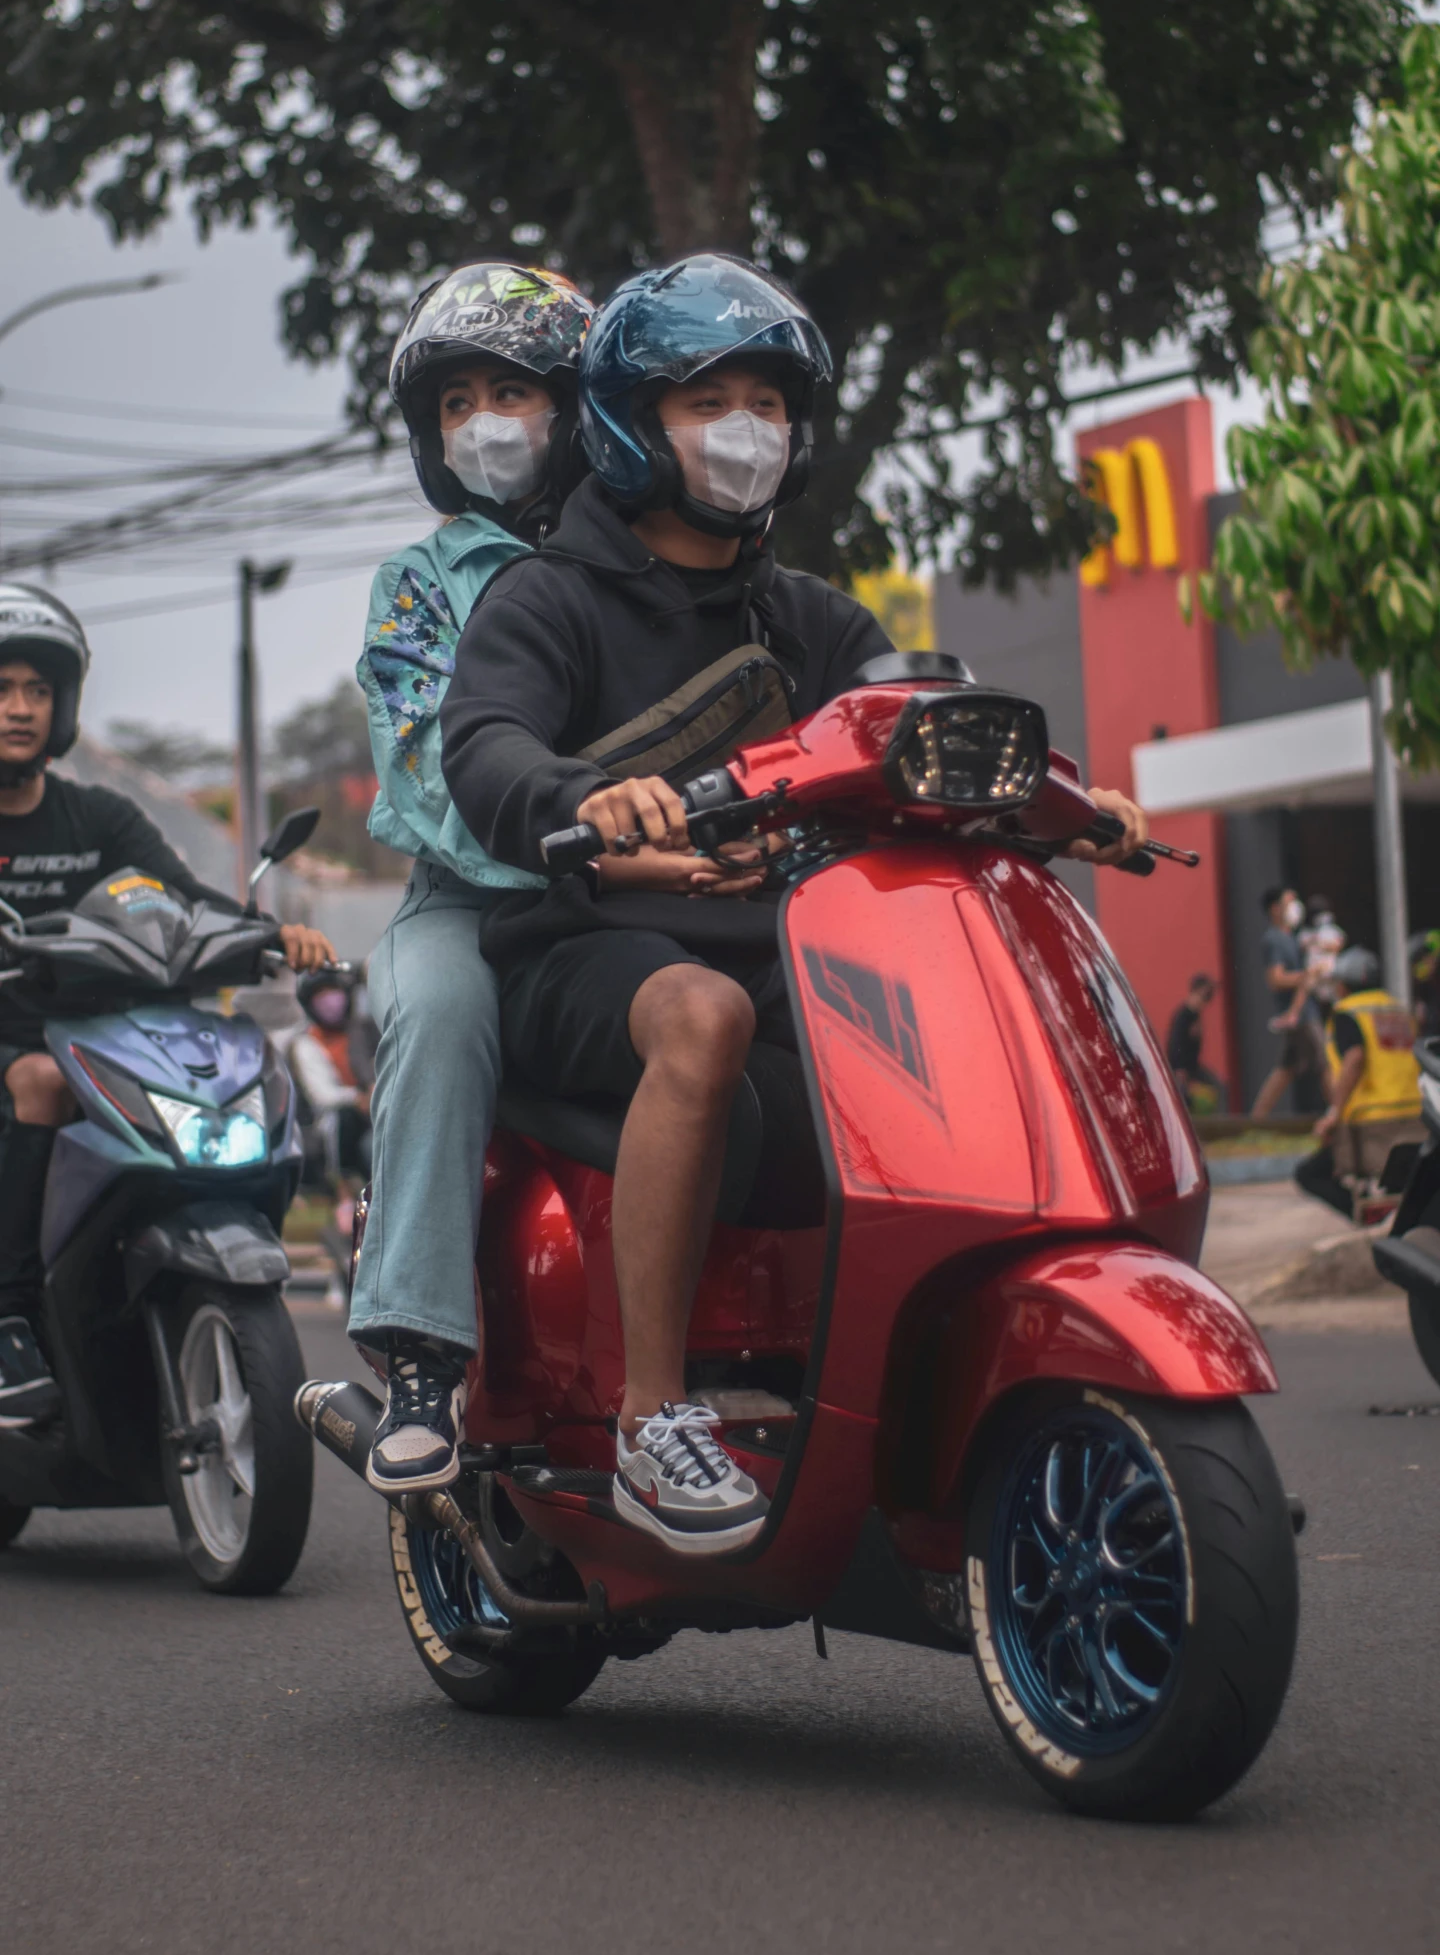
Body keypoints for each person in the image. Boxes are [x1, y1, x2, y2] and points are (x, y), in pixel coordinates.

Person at [439, 253, 1150, 1556]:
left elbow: (919, 728)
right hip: (584, 946)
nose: (746, 430)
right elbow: (484, 745)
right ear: (628, 424)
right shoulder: (544, 597)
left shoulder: (807, 616)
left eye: (767, 399)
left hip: (786, 947)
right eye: (708, 399)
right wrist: (575, 794)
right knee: (701, 1017)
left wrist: (1069, 800)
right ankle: (655, 1415)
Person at [346, 261, 595, 1493]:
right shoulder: (416, 587)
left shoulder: (641, 563)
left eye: (512, 391)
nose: (484, 422)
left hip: (633, 889)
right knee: (441, 1017)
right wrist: (584, 820)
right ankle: (419, 1357)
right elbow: (430, 774)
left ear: (577, 408)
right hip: (467, 903)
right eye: (456, 403)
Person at [0, 583, 334, 1426]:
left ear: (63, 703)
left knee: (220, 1055)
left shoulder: (99, 815)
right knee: (41, 1078)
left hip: (103, 1041)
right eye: (2, 688)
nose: (19, 708)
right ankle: (10, 1318)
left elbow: (181, 899)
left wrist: (271, 931)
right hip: (20, 1048)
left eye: (38, 690)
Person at [1294, 946, 1424, 1220]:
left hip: (1372, 1121)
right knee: (1402, 1181)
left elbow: (1354, 1059)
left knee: (1309, 1173)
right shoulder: (1398, 1010)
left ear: (1342, 986)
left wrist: (1333, 1114)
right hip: (1415, 1116)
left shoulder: (1347, 1012)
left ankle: (1366, 1219)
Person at [287, 966, 374, 1186]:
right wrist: (358, 1099)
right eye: (321, 994)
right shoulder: (305, 1044)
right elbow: (322, 1095)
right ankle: (342, 1182)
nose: (330, 1000)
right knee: (343, 1118)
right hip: (333, 1122)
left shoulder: (361, 1033)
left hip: (373, 1113)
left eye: (334, 991)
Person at [1249, 884, 1325, 1120]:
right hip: (1302, 1017)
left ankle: (1256, 1120)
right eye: (1289, 902)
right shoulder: (1274, 940)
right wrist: (1307, 975)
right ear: (1275, 909)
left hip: (1300, 1013)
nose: (1296, 907)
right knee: (1325, 1064)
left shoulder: (1290, 938)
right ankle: (1342, 1117)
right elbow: (1275, 979)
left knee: (1285, 1070)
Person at [1165, 974, 1225, 1110]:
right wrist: (1180, 1069)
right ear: (1195, 992)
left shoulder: (1195, 1015)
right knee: (1183, 1101)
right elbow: (1175, 1044)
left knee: (1217, 1088)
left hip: (1192, 1067)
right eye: (1206, 994)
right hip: (1181, 1069)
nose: (1208, 999)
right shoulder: (1183, 1016)